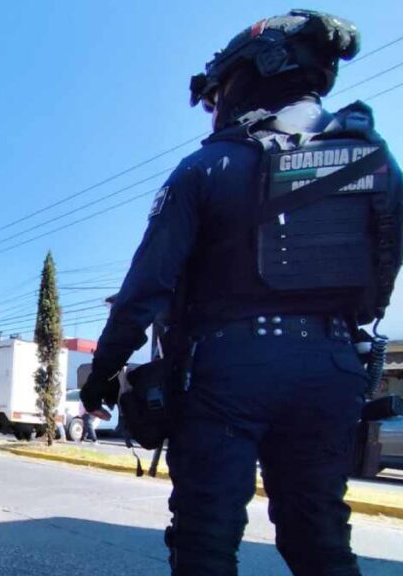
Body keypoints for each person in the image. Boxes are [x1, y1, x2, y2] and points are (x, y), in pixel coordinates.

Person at [79, 10, 401, 575]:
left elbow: (146, 287)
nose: (216, 105)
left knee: (206, 537)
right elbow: (381, 271)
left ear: (256, 72)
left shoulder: (210, 165)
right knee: (319, 536)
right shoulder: (376, 162)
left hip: (228, 370)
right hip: (333, 367)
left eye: (218, 90)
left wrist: (105, 370)